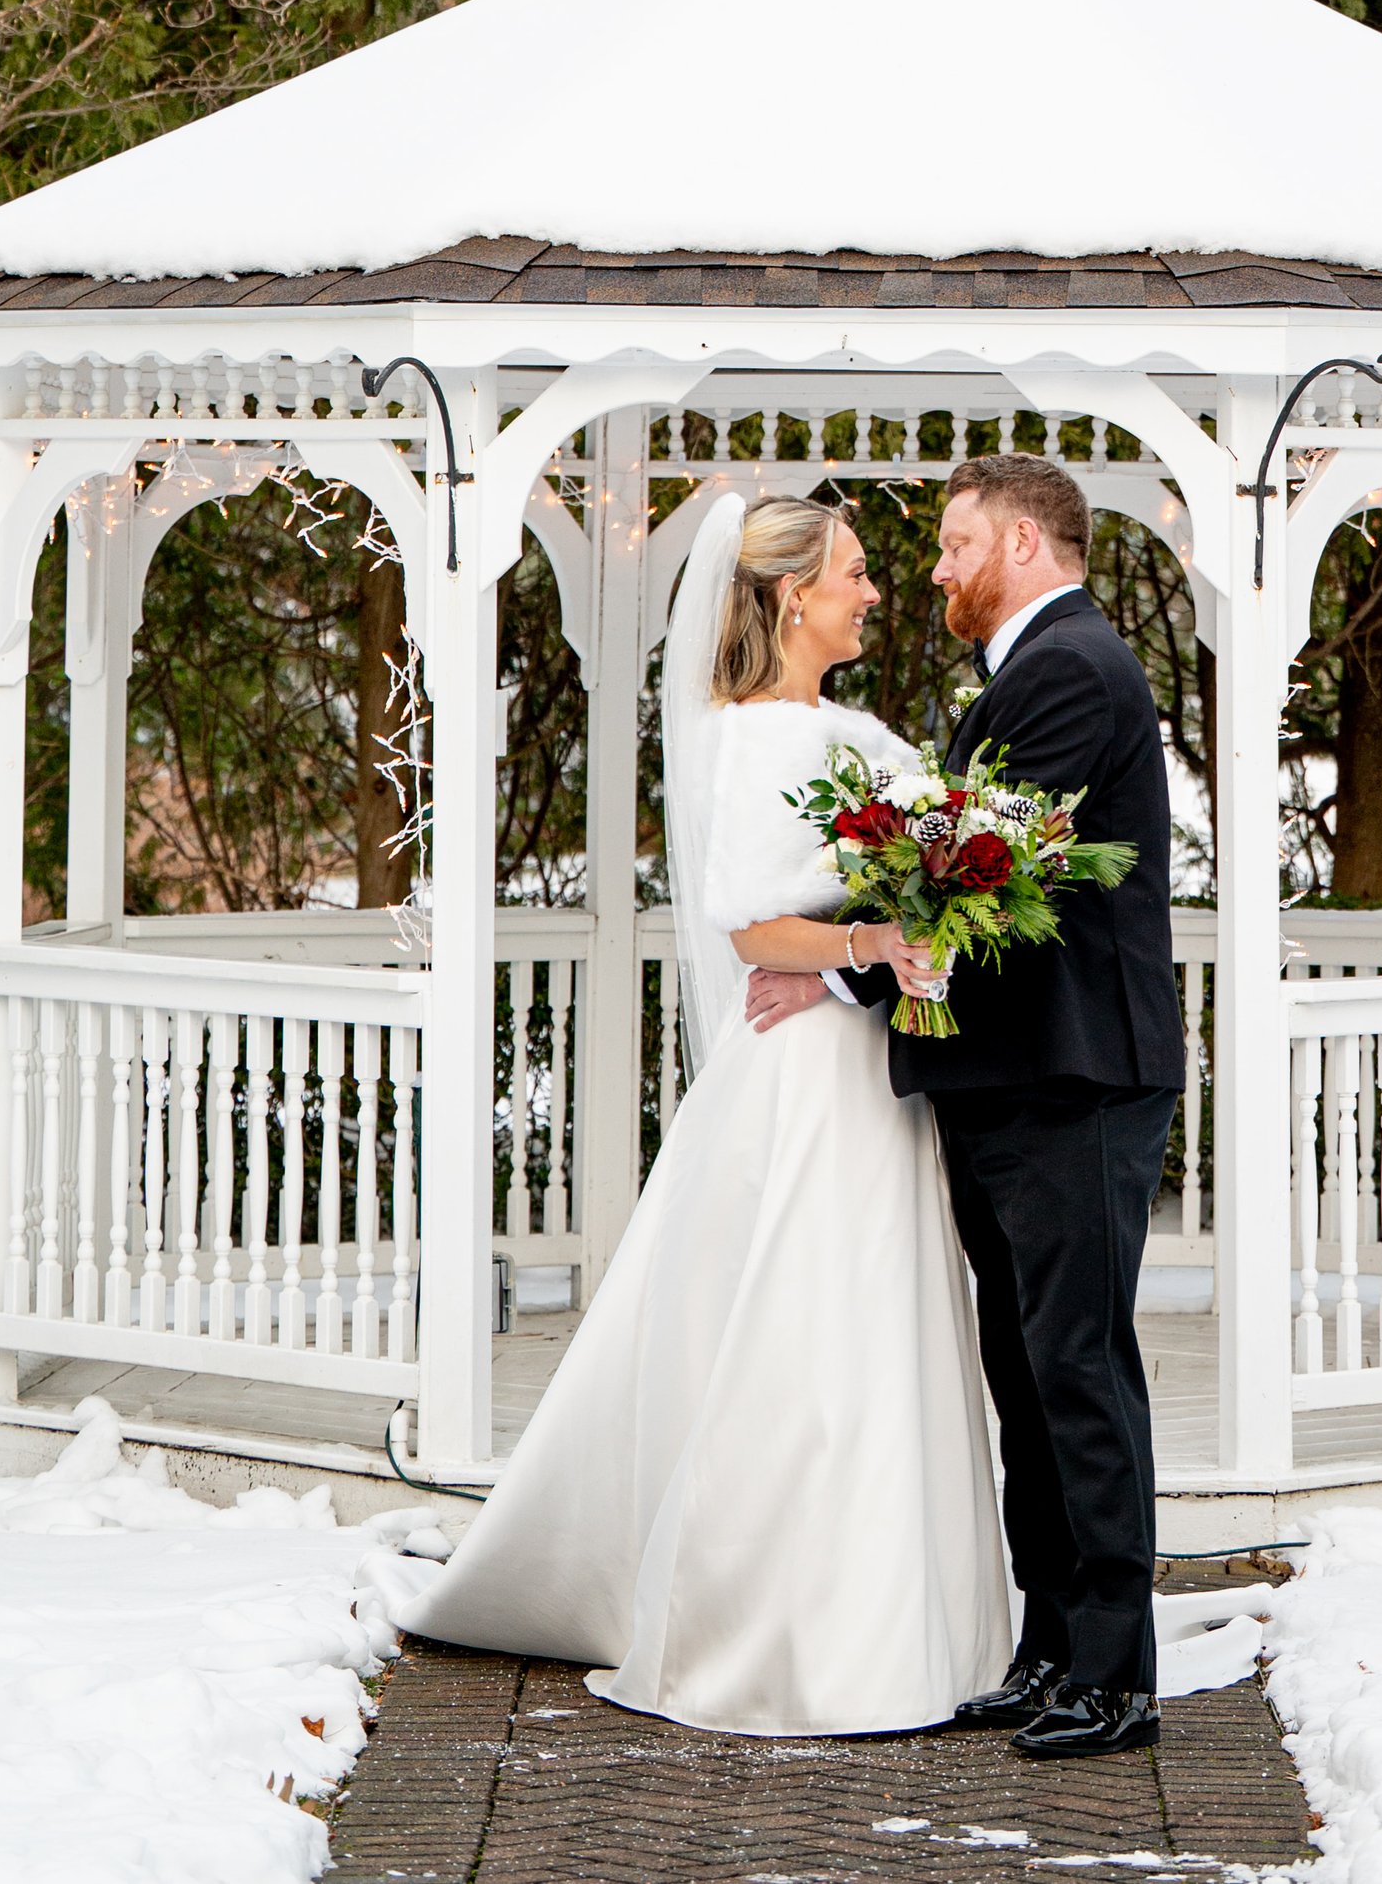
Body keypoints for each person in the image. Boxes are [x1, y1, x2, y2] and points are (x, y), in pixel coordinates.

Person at [419, 493, 1010, 1735]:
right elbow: (751, 924)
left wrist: (919, 927)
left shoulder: (857, 732)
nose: (872, 590)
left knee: (880, 1322)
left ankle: (908, 1616)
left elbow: (929, 872)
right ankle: (775, 1621)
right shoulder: (749, 741)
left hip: (867, 1068)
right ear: (793, 593)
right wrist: (873, 934)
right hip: (801, 1079)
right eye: (853, 572)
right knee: (801, 1332)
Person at [748, 452, 1183, 1761]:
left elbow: (977, 869)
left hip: (1073, 1074)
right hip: (1013, 1074)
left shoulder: (1068, 669)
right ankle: (1051, 1645)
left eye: (952, 541)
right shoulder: (1032, 671)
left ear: (1026, 545)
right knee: (1029, 1372)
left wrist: (842, 965)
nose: (934, 567)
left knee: (1078, 1368)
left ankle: (1114, 1669)